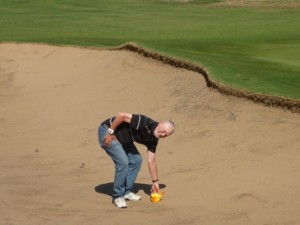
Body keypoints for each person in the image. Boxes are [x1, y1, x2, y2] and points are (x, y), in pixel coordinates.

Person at [98, 112, 175, 208]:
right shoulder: (145, 122)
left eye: (166, 135)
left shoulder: (153, 140)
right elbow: (121, 116)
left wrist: (155, 182)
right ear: (160, 123)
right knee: (123, 162)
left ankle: (126, 192)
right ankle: (118, 196)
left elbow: (152, 161)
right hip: (107, 131)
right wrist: (110, 132)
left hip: (123, 140)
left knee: (137, 160)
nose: (163, 134)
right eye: (163, 130)